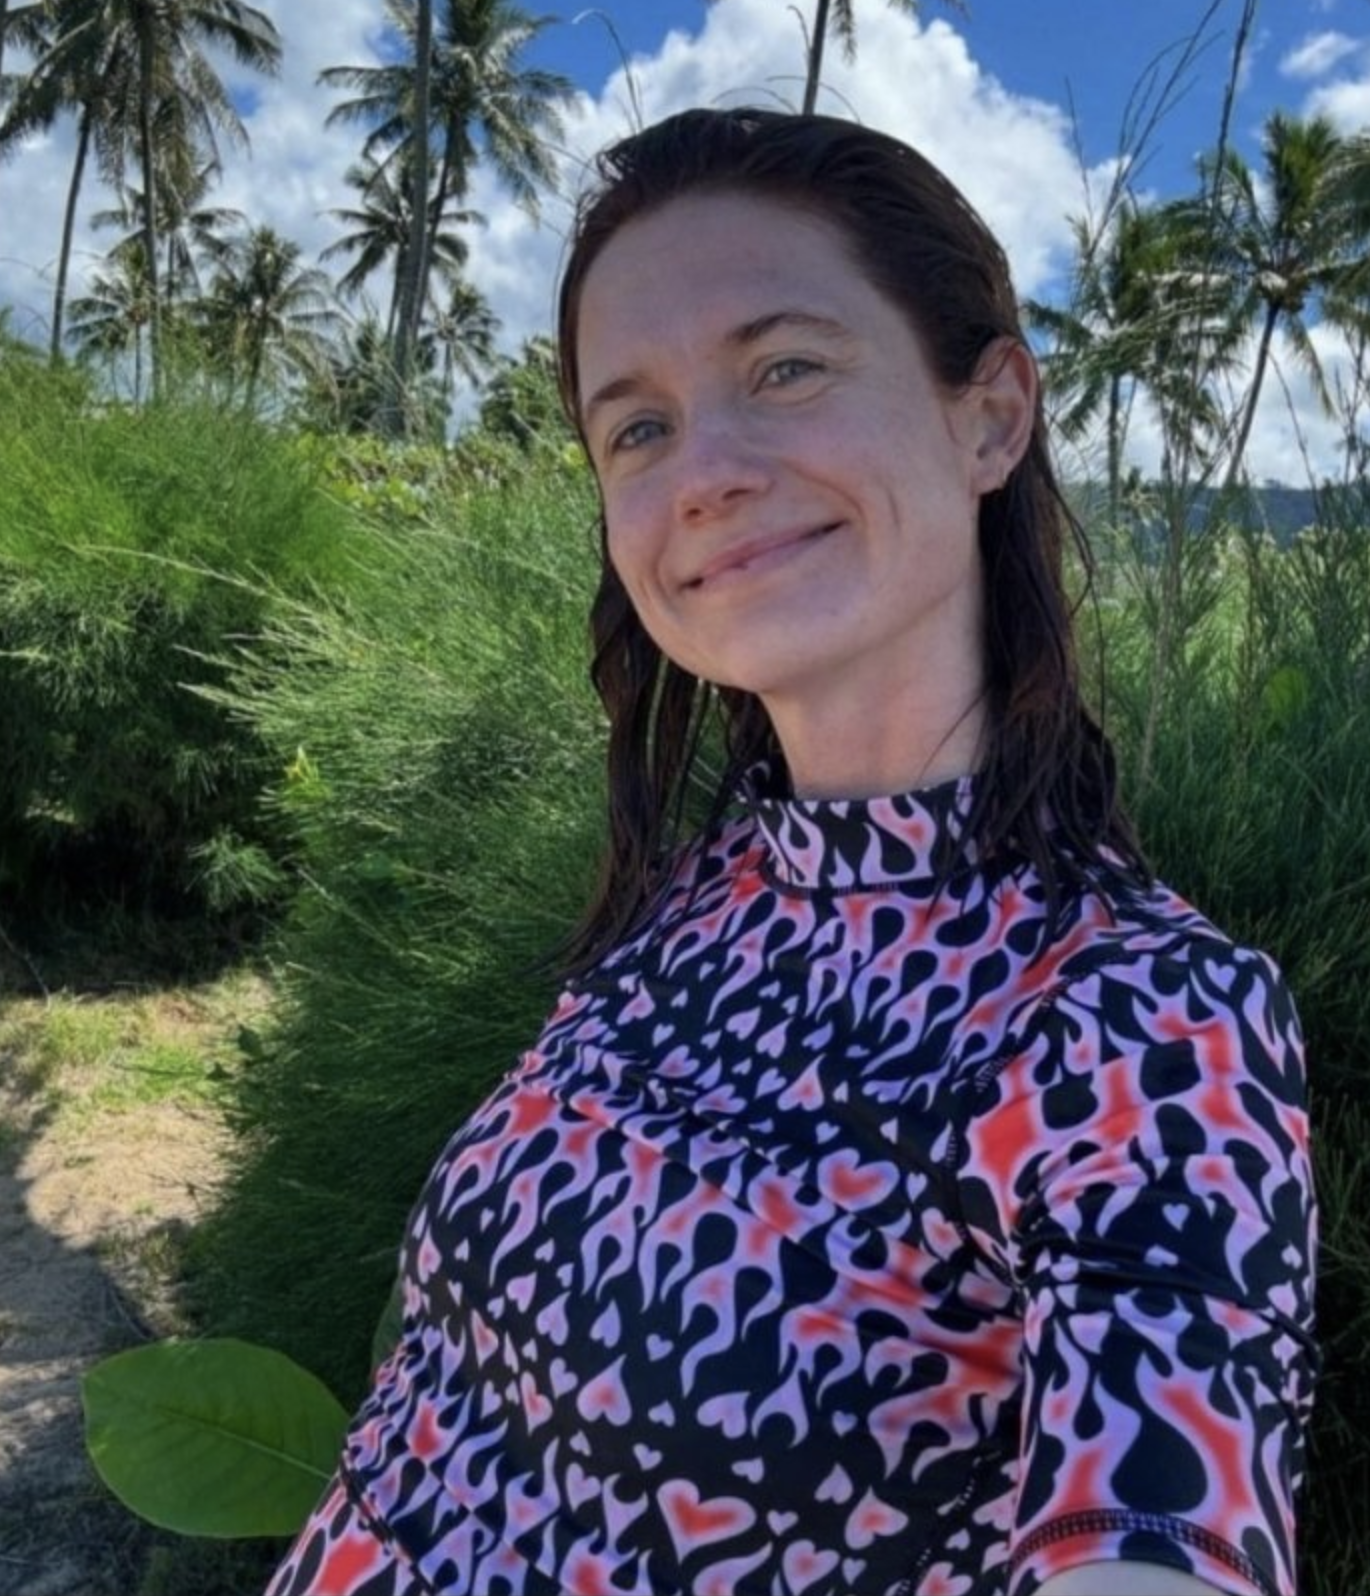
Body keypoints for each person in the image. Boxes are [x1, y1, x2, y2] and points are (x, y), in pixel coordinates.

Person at [264, 108, 1316, 1596]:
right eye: (638, 428)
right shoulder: (685, 901)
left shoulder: (1142, 1018)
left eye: (785, 369)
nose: (702, 471)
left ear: (990, 417)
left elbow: (1158, 1521)